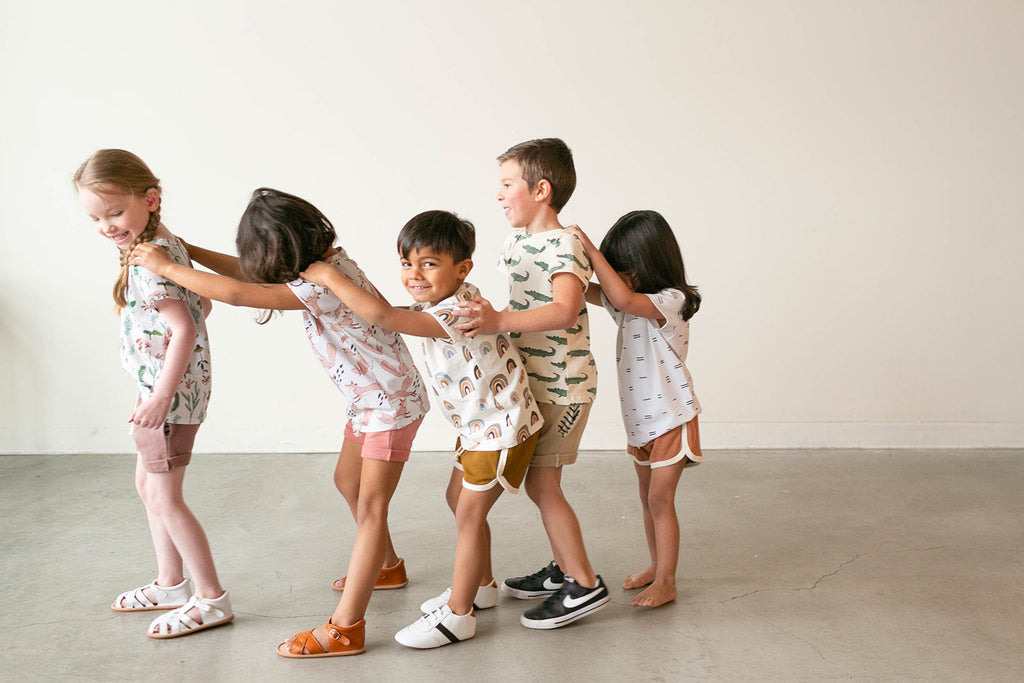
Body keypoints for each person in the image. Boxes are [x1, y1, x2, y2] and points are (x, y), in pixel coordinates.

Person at [132, 188, 429, 657]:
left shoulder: (323, 283)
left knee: (371, 506)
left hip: (388, 405)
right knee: (346, 481)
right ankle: (386, 566)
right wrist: (188, 251)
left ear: (281, 252)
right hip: (370, 399)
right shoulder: (326, 263)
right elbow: (248, 276)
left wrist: (168, 268)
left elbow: (240, 292)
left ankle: (346, 627)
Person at [301, 209, 545, 648]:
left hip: (502, 430)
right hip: (480, 428)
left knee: (469, 512)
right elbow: (390, 310)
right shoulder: (444, 301)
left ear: (462, 269)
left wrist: (329, 276)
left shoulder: (458, 313)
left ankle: (459, 616)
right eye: (406, 263)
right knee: (458, 500)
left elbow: (386, 318)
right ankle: (481, 586)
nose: (414, 274)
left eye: (428, 264)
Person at [74, 149, 233, 639]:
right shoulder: (163, 246)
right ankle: (170, 584)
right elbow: (201, 301)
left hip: (167, 397)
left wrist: (163, 395)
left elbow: (183, 326)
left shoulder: (150, 262)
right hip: (167, 391)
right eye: (95, 218)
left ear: (150, 199)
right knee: (149, 488)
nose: (106, 226)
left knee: (164, 496)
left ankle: (211, 598)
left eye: (115, 212)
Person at [454, 138, 609, 629]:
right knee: (536, 484)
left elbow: (564, 310)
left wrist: (499, 321)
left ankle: (583, 582)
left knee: (544, 484)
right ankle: (564, 567)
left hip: (564, 386)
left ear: (541, 190)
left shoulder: (564, 243)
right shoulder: (518, 241)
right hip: (529, 384)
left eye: (507, 185)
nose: (499, 196)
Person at [565, 210, 703, 608]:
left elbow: (620, 295)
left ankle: (667, 581)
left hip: (672, 416)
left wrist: (590, 248)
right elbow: (592, 292)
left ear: (646, 265)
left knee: (661, 501)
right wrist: (564, 266)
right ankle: (656, 566)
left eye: (623, 268)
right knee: (647, 501)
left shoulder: (669, 301)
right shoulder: (629, 304)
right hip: (641, 422)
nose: (617, 279)